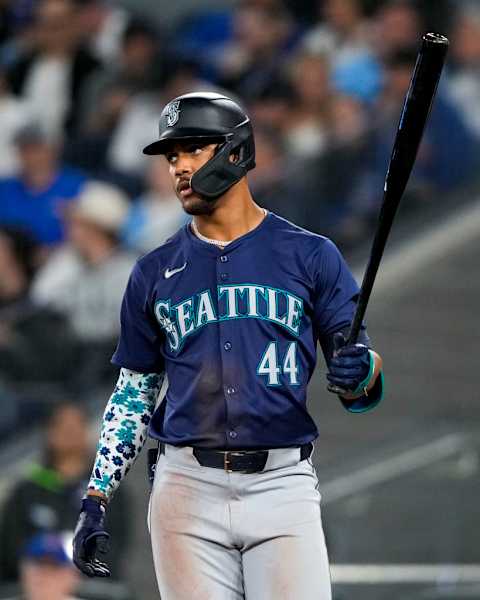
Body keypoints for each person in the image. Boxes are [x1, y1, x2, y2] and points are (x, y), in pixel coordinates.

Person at [72, 91, 384, 599]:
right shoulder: (152, 272)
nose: (178, 166)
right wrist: (96, 495)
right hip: (186, 486)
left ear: (235, 152)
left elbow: (364, 386)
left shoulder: (310, 255)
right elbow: (134, 393)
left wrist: (362, 371)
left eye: (193, 149)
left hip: (282, 482)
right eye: (172, 155)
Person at [0, 403, 129, 584]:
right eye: (64, 426)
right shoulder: (26, 490)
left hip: (88, 589)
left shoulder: (109, 491)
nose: (71, 433)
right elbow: (9, 548)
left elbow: (114, 546)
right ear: (49, 432)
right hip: (33, 587)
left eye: (77, 426)